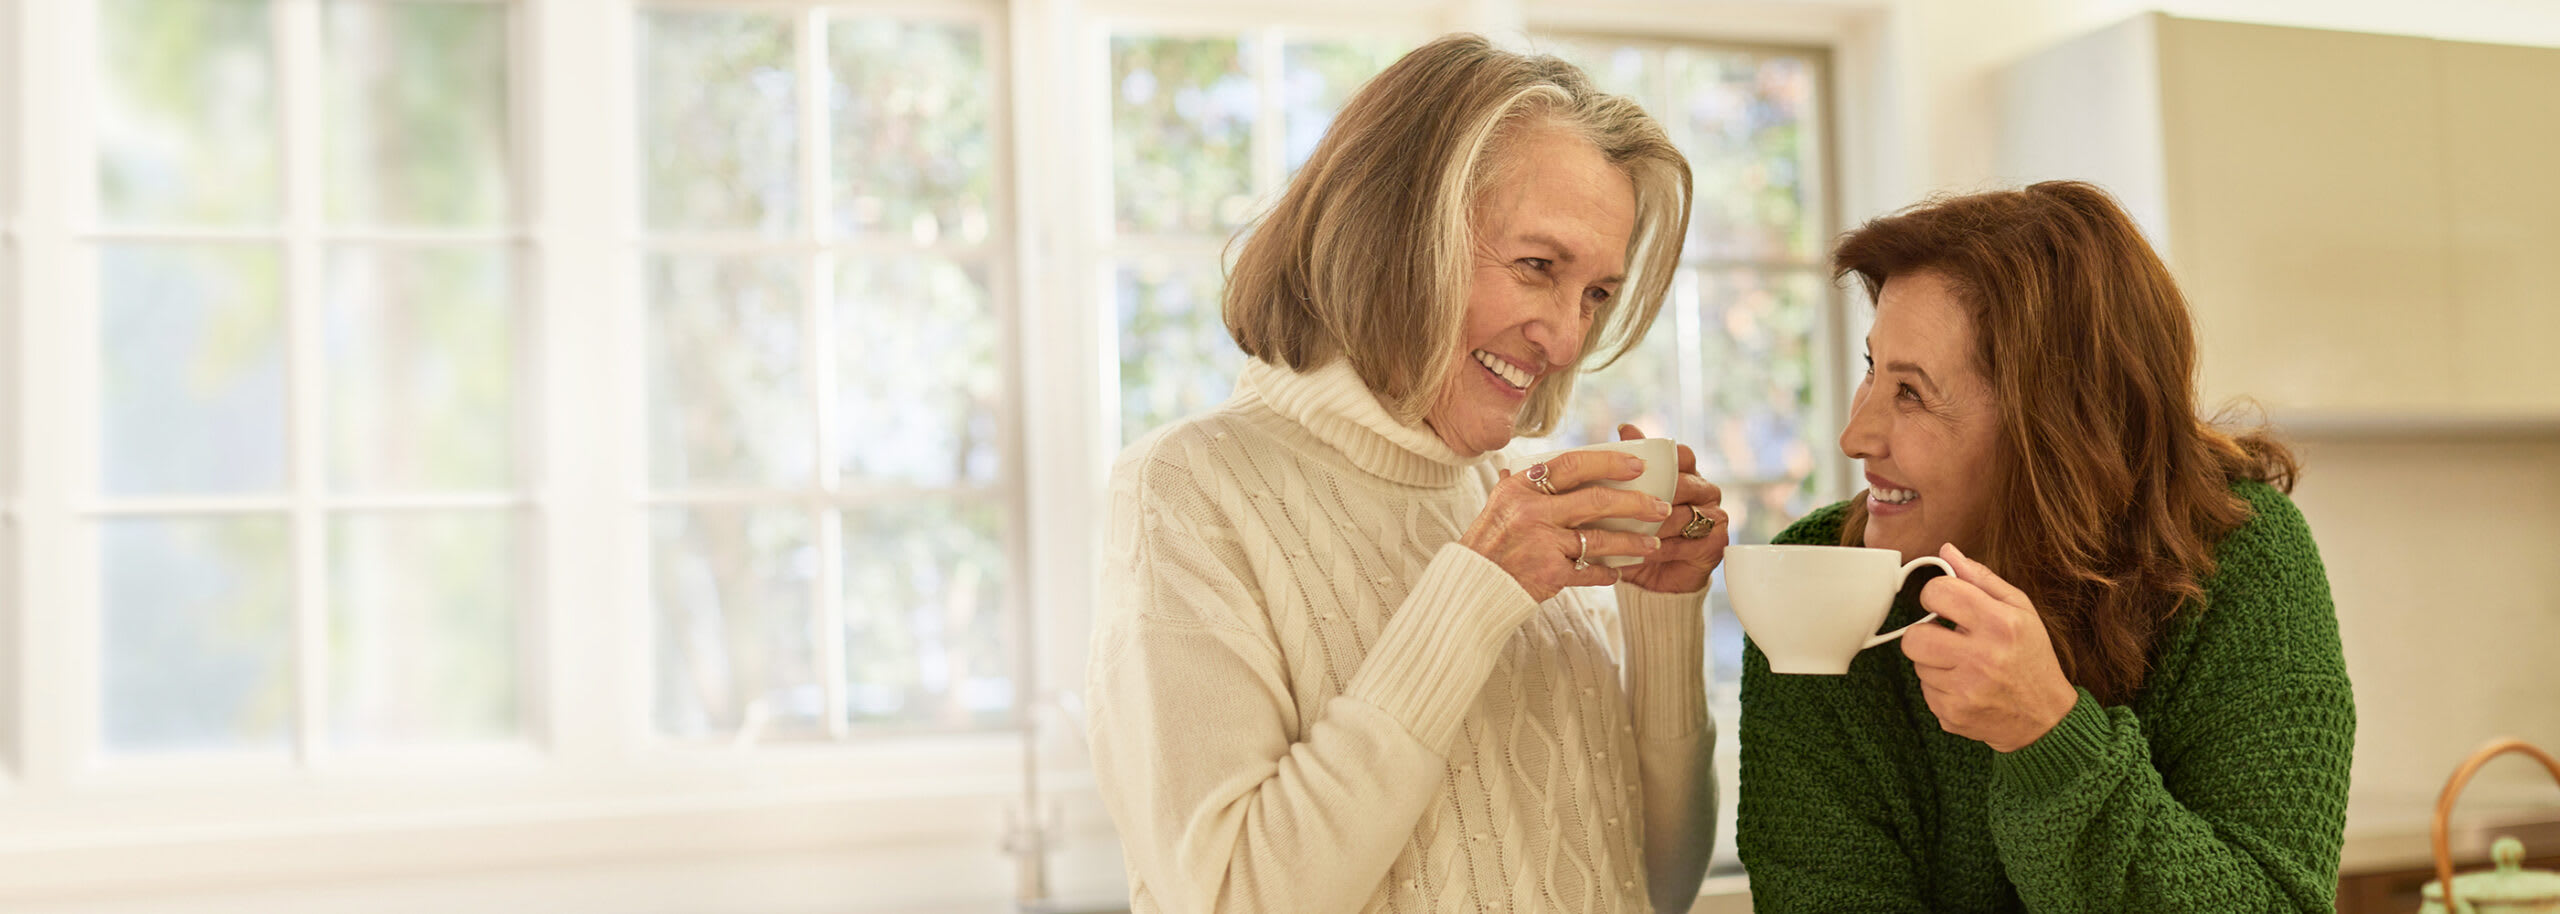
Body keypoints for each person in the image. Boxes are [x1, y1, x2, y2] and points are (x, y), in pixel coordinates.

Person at [1085, 33, 1729, 914]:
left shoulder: (1514, 508)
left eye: (1596, 293)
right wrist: (1471, 595)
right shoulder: (1189, 490)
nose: (1570, 339)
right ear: (1393, 235)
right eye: (1538, 266)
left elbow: (1655, 883)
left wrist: (1661, 611)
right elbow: (1235, 896)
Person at [1736, 180, 2355, 911]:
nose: (1856, 436)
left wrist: (2049, 738)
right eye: (1873, 368)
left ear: (2055, 425)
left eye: (1911, 393)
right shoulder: (1816, 592)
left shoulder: (2239, 561)